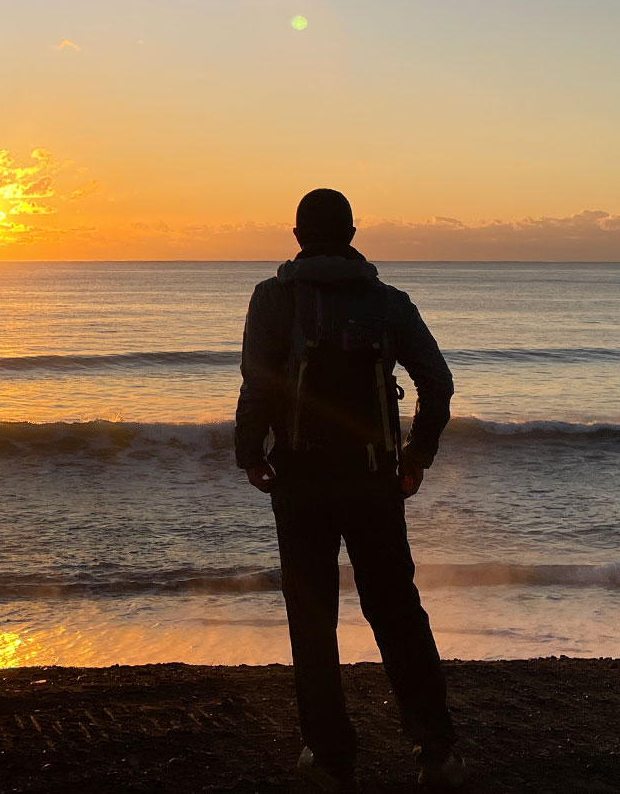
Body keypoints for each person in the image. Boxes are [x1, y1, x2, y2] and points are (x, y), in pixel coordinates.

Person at [234, 188, 468, 792]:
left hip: (301, 478)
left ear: (297, 235)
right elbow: (437, 385)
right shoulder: (388, 303)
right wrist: (416, 456)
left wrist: (248, 456)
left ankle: (331, 759)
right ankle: (436, 751)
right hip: (374, 480)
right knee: (397, 611)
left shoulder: (273, 299)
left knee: (312, 620)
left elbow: (258, 384)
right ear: (354, 231)